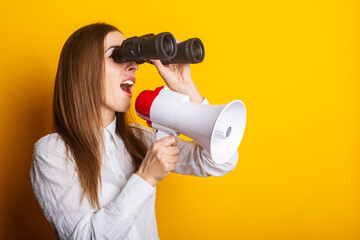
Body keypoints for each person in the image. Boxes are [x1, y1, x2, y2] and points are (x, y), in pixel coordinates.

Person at [30, 23, 238, 240]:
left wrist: (185, 87)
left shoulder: (138, 138)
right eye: (117, 56)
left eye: (135, 59)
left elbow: (222, 161)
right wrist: (145, 178)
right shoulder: (52, 152)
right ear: (83, 69)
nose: (134, 66)